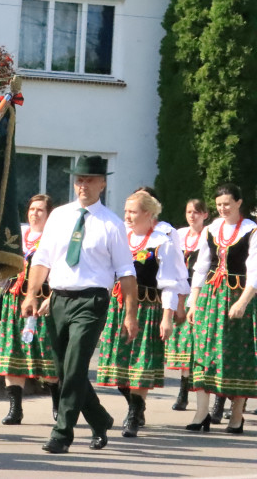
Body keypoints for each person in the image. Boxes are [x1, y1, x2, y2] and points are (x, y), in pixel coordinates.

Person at [22, 155, 138, 454]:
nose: (83, 185)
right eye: (79, 179)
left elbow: (126, 272)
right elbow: (42, 259)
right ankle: (100, 419)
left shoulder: (111, 224)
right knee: (63, 370)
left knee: (74, 368)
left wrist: (130, 314)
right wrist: (32, 294)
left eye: (89, 180)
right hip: (58, 299)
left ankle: (62, 433)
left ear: (102, 183)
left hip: (91, 300)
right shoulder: (59, 216)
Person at [96, 191, 188, 438]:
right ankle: (136, 404)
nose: (127, 216)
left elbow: (170, 282)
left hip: (147, 308)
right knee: (117, 365)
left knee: (141, 364)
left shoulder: (162, 241)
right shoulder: (120, 237)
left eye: (133, 211)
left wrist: (168, 317)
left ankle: (134, 413)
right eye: (126, 211)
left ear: (148, 213)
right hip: (118, 307)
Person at [186, 182, 257, 434]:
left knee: (237, 353)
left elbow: (255, 271)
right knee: (204, 351)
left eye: (227, 203)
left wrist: (243, 301)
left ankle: (236, 416)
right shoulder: (211, 230)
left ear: (239, 202)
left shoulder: (251, 230)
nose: (223, 208)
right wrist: (193, 300)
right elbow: (201, 266)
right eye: (218, 205)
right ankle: (201, 412)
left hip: (238, 296)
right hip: (211, 297)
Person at [0, 194, 59, 426]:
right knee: (13, 353)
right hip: (14, 302)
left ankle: (58, 405)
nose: (34, 213)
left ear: (49, 214)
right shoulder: (18, 236)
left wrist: (52, 297)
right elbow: (5, 270)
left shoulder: (55, 238)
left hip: (41, 303)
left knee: (48, 355)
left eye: (40, 210)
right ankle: (15, 409)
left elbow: (60, 273)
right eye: (31, 209)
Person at [168, 198, 209, 412]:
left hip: (200, 292)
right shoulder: (180, 234)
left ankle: (210, 394)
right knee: (182, 343)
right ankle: (183, 390)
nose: (192, 216)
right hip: (179, 292)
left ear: (205, 215)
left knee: (199, 344)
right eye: (189, 211)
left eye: (197, 212)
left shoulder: (209, 235)